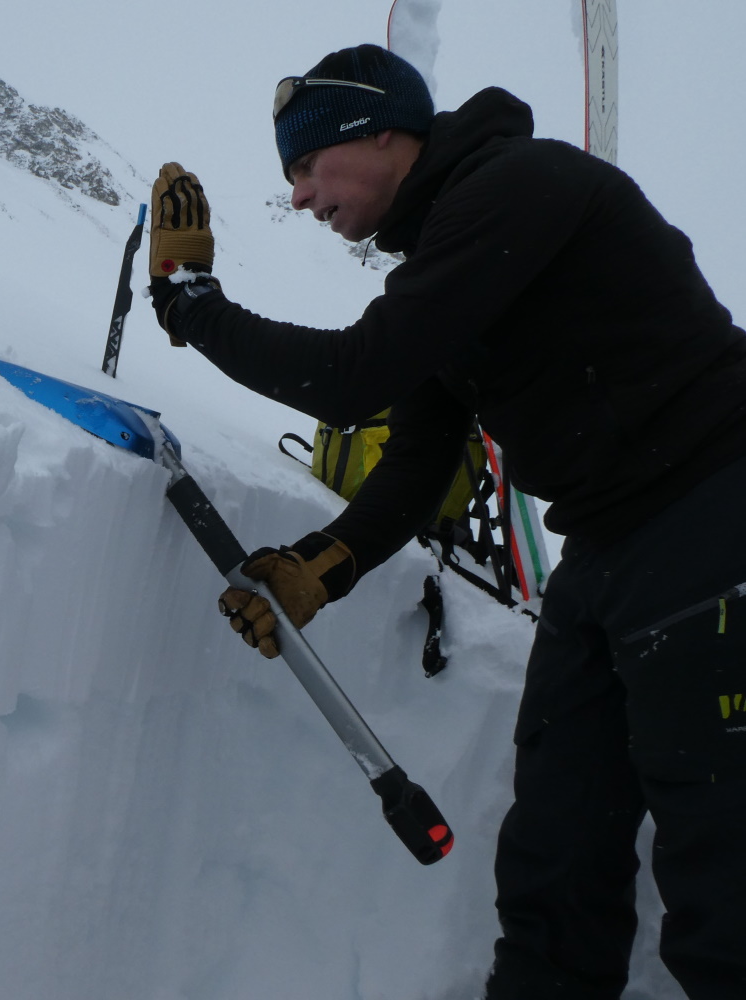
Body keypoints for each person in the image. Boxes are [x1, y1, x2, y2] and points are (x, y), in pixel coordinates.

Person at [147, 43, 746, 1000]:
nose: (300, 197)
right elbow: (418, 460)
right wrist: (320, 567)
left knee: (727, 866)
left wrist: (193, 307)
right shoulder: (449, 265)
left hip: (712, 511)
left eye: (307, 166)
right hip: (604, 549)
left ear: (381, 131)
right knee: (555, 858)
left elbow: (353, 379)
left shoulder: (524, 186)